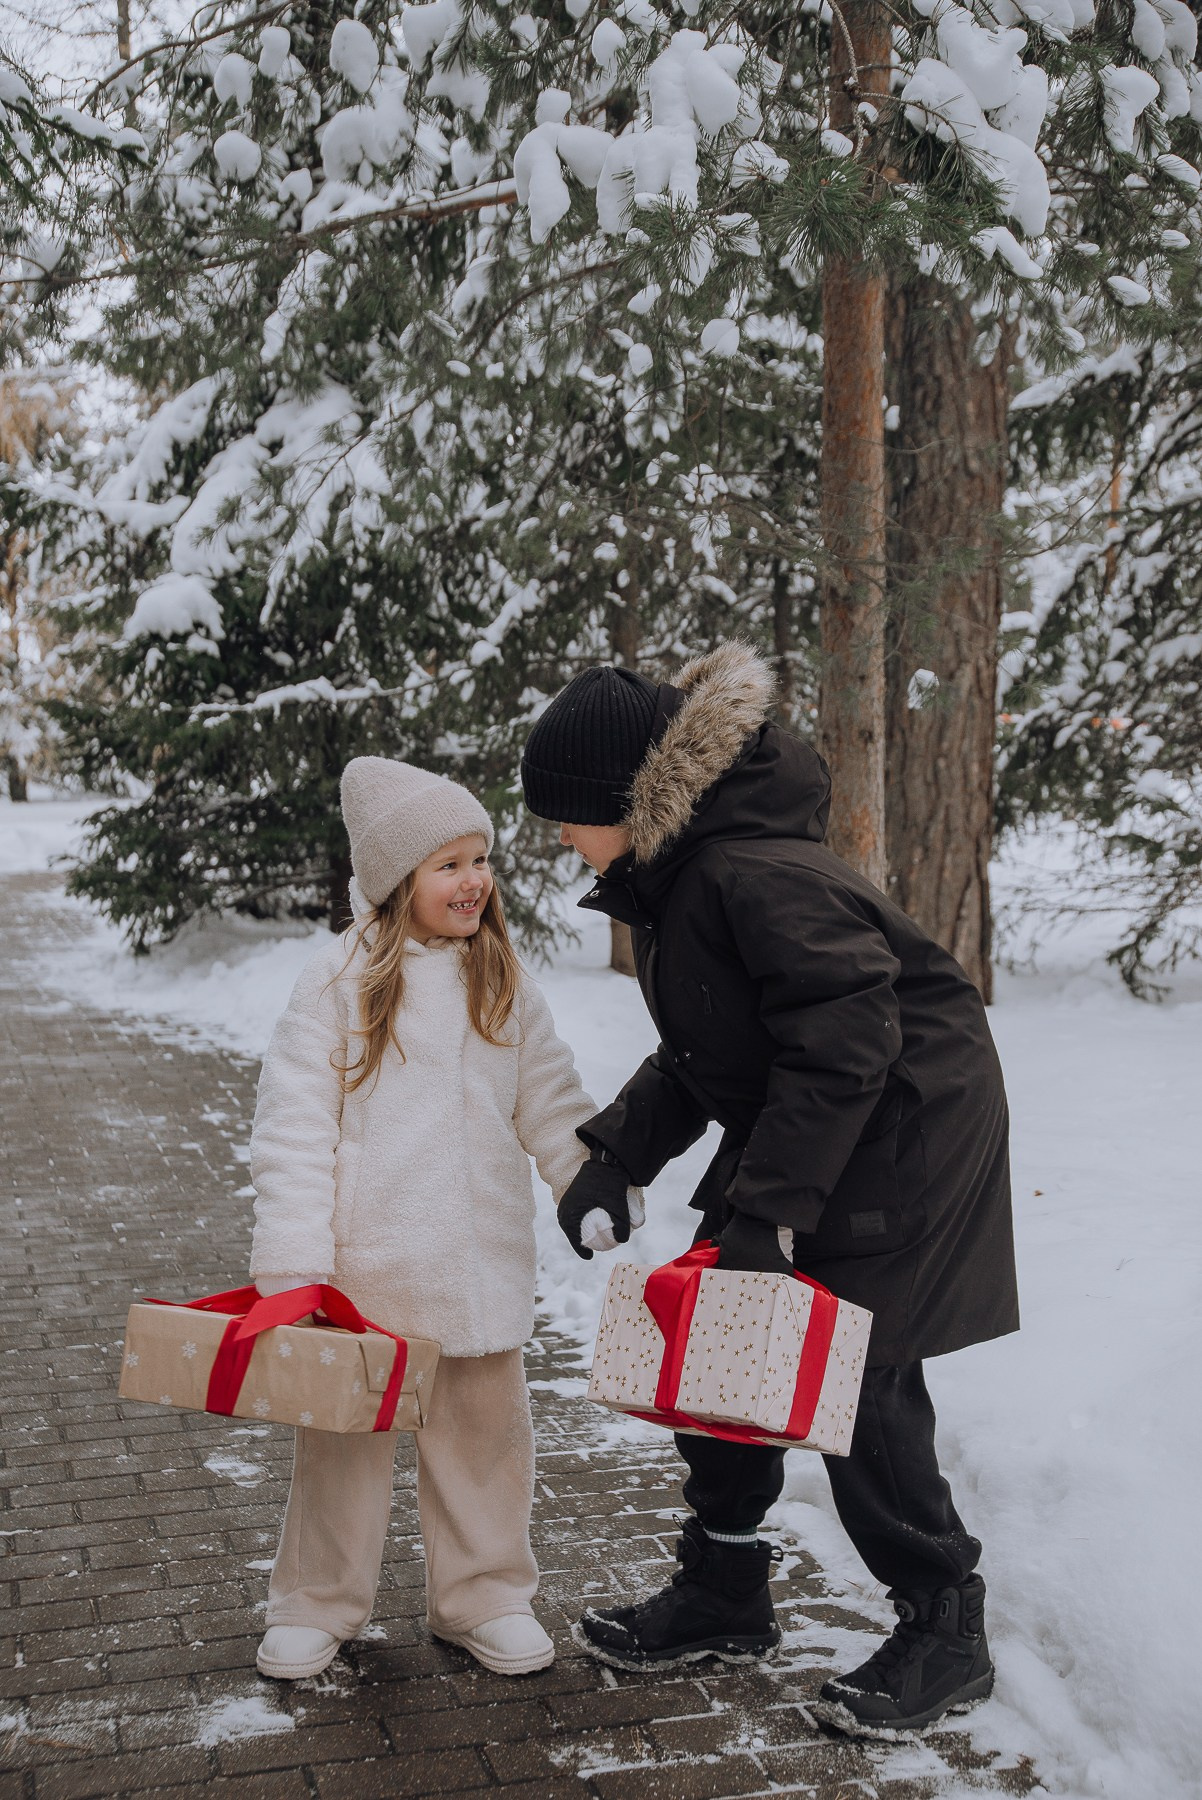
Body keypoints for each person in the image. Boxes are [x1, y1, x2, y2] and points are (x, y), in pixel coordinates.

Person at [523, 643, 1019, 1738]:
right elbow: (712, 1045)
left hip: (901, 1127)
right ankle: (725, 1589)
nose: (558, 839)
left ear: (621, 799)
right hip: (815, 1118)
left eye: (564, 815)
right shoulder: (686, 872)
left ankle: (944, 1629)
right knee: (727, 1339)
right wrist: (617, 1152)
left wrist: (773, 1216)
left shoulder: (749, 872)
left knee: (859, 1381)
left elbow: (847, 1042)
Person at [247, 756, 609, 1682]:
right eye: (448, 863)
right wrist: (294, 1265)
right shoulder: (337, 984)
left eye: (478, 858)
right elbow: (293, 1132)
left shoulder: (504, 980)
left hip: (478, 1264)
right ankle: (318, 1602)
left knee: (486, 1445)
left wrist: (585, 1180)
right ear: (397, 879)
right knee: (340, 1454)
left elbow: (551, 1099)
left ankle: (483, 1595)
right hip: (365, 1279)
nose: (473, 880)